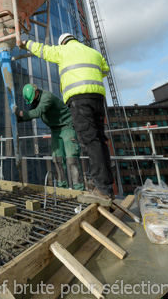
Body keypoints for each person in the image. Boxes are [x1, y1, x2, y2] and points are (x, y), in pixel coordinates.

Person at [20, 33, 114, 205]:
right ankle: (106, 186)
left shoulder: (63, 51)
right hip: (98, 99)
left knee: (91, 142)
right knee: (100, 141)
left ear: (63, 42)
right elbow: (105, 71)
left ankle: (101, 189)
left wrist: (25, 43)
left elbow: (42, 50)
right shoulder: (93, 52)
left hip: (79, 100)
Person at [15, 83, 84, 191]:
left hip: (67, 127)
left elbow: (37, 113)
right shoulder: (36, 100)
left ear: (36, 92)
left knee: (72, 159)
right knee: (57, 159)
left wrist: (19, 113)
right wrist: (17, 119)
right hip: (55, 129)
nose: (32, 102)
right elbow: (31, 114)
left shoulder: (47, 97)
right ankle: (62, 188)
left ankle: (79, 189)